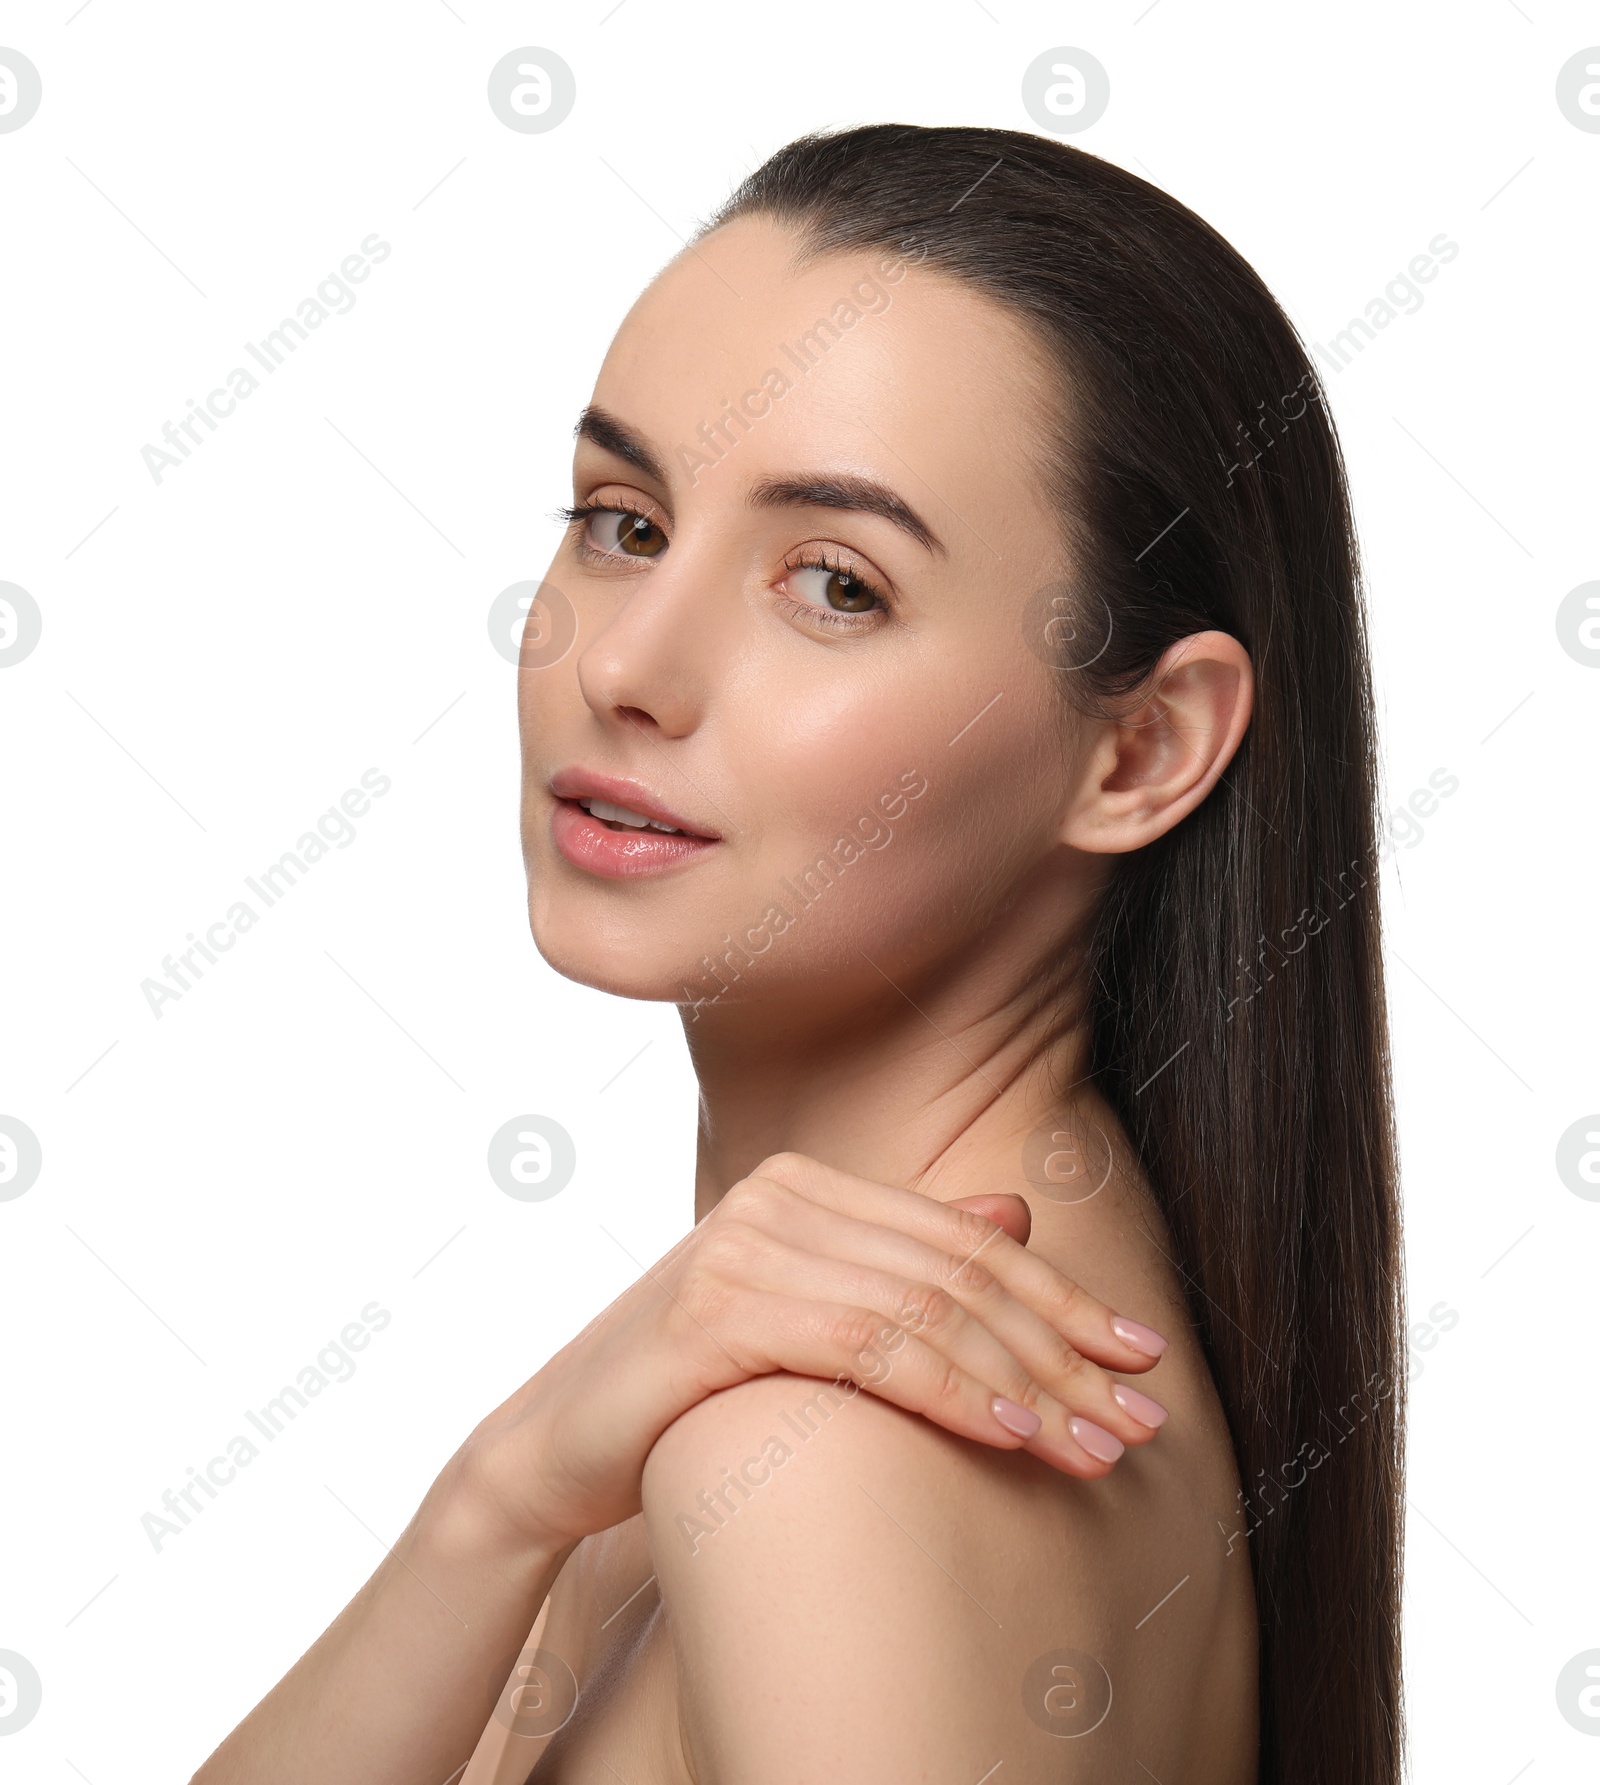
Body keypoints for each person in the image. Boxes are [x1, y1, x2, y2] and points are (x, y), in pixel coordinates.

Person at [191, 124, 1403, 1785]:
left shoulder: (812, 1461)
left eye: (833, 582)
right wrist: (509, 1488)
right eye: (621, 521)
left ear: (1138, 751)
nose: (626, 659)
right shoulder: (752, 1397)